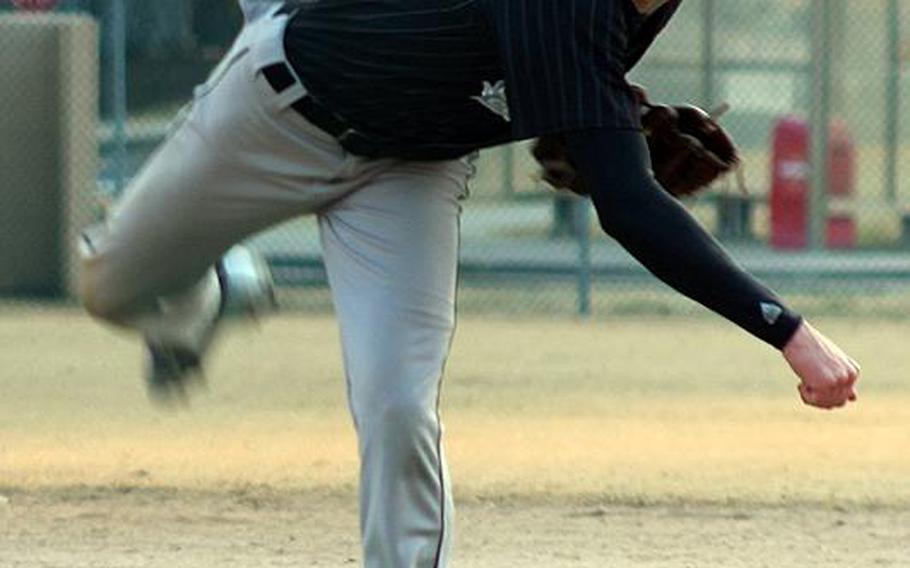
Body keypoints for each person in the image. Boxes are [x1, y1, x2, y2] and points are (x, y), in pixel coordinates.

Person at [78, 1, 860, 566]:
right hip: (277, 111)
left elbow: (531, 58)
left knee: (397, 401)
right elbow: (627, 207)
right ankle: (210, 291)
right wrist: (786, 330)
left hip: (412, 173)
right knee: (108, 288)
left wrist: (601, 115)